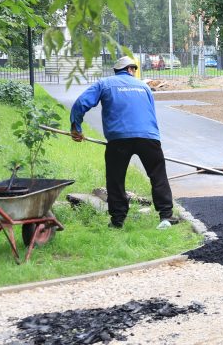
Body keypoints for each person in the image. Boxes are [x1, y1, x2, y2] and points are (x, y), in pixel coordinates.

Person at [70, 55, 175, 229]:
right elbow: (149, 112)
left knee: (115, 179)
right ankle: (166, 216)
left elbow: (81, 103)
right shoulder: (144, 87)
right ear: (129, 69)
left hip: (119, 139)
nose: (134, 72)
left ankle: (117, 221)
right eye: (134, 69)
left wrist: (76, 128)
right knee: (158, 175)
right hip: (148, 137)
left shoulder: (104, 84)